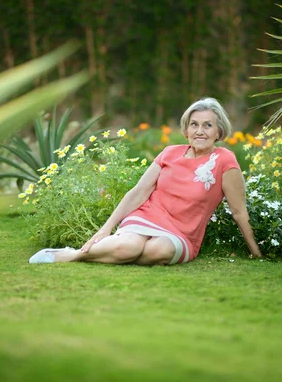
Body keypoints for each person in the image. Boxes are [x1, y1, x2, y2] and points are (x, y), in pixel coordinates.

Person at [29, 97, 262, 265]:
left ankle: (113, 255)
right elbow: (139, 191)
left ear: (219, 131)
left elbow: (238, 211)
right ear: (186, 129)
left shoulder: (225, 160)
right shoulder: (170, 152)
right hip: (147, 216)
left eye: (207, 125)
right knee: (128, 246)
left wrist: (256, 252)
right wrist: (106, 228)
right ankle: (73, 254)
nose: (200, 131)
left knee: (157, 251)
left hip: (182, 233)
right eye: (194, 124)